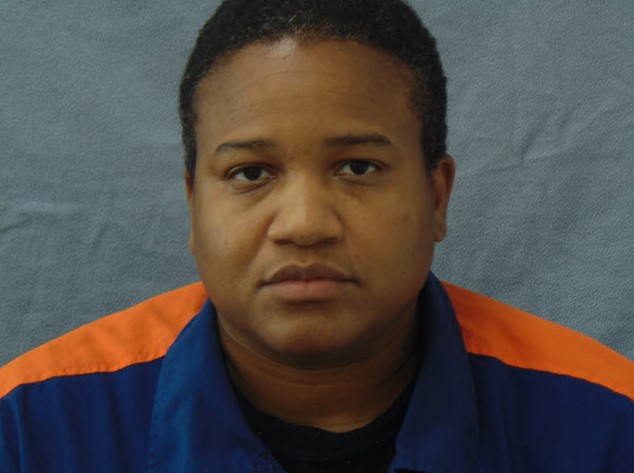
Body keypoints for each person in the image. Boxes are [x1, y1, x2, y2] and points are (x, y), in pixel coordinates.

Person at [1, 0, 633, 471]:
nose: (304, 225)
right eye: (251, 173)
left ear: (437, 196)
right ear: (194, 205)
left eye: (358, 167)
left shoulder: (606, 422)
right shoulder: (30, 427)